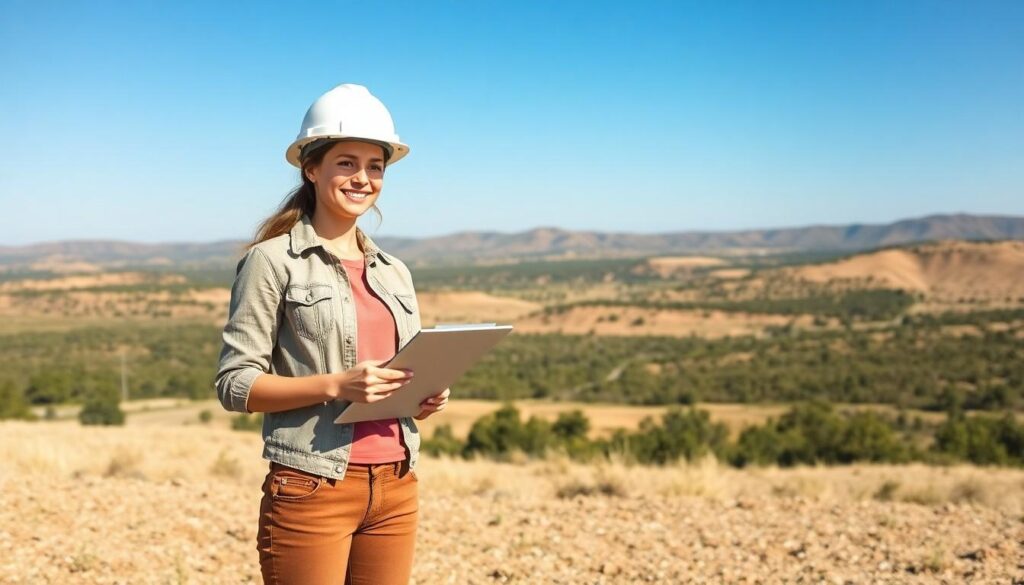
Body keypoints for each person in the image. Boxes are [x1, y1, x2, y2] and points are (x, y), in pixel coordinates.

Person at [213, 83, 450, 584]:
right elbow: (235, 385)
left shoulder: (395, 271)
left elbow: (391, 376)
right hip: (310, 485)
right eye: (346, 162)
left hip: (396, 482)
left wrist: (421, 393)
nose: (362, 178)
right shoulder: (271, 262)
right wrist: (338, 385)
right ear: (311, 168)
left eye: (375, 166)